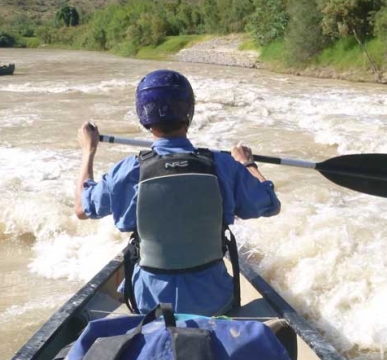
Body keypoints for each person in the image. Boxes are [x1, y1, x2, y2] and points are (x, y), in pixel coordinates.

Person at [74, 69, 281, 316]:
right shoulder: (224, 166)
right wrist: (248, 165)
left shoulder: (129, 170)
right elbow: (270, 204)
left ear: (144, 115)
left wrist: (88, 150)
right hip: (214, 301)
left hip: (150, 305)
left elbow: (81, 209)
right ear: (189, 112)